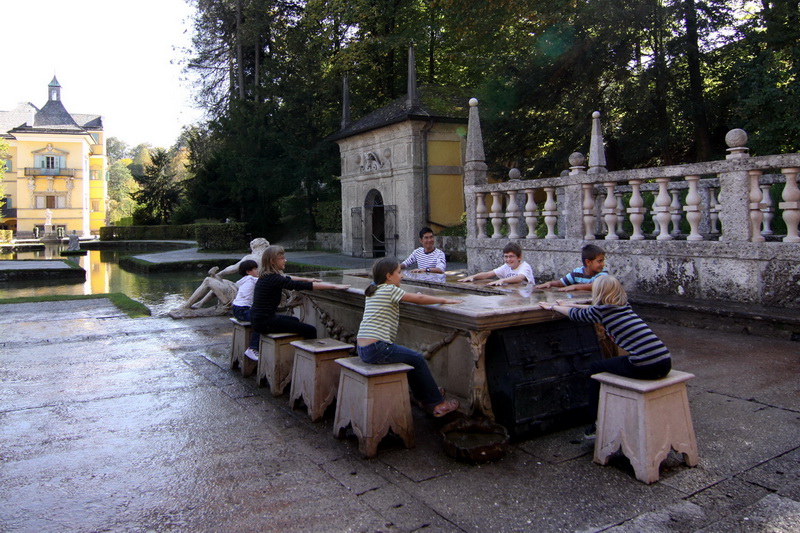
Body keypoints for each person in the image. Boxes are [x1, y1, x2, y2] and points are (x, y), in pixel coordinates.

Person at [539, 275, 672, 439]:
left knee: (596, 368)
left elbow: (576, 314)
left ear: (599, 292)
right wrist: (567, 303)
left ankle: (596, 421)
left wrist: (552, 307)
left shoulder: (602, 312)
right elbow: (591, 309)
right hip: (664, 361)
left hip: (646, 365)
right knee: (613, 363)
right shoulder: (624, 306)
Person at [357, 257, 462, 417]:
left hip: (364, 348)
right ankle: (438, 403)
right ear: (388, 276)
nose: (402, 276)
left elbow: (408, 296)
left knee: (411, 360)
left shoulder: (373, 289)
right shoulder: (390, 290)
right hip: (378, 348)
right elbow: (419, 299)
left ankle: (423, 397)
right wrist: (444, 299)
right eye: (399, 272)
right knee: (418, 359)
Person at [249, 245, 350, 359]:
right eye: (282, 258)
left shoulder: (267, 276)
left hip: (259, 320)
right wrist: (333, 286)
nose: (285, 260)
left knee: (295, 320)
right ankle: (307, 358)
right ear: (272, 261)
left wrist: (307, 279)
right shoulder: (274, 278)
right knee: (310, 330)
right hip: (265, 322)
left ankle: (294, 351)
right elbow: (298, 285)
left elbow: (287, 278)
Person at [182, 237, 270, 309]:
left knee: (208, 281)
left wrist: (220, 274)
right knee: (223, 282)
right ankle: (200, 303)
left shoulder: (252, 257)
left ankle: (186, 306)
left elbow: (233, 269)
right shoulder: (269, 261)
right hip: (255, 295)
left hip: (242, 297)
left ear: (254, 247)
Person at [535, 244, 607, 292]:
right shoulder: (577, 273)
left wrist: (575, 287)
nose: (603, 264)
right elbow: (561, 283)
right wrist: (550, 283)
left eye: (602, 261)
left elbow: (596, 286)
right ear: (588, 262)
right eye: (599, 261)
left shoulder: (603, 274)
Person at [458, 242, 535, 286]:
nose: (508, 260)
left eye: (511, 256)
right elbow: (488, 274)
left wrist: (503, 280)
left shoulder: (525, 266)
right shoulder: (506, 266)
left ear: (519, 257)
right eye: (506, 257)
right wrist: (473, 277)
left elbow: (520, 278)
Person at [230, 259, 260, 360]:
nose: (257, 271)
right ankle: (253, 348)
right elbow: (268, 281)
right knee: (260, 319)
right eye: (255, 269)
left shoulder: (245, 280)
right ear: (248, 272)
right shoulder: (252, 279)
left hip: (237, 309)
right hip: (242, 310)